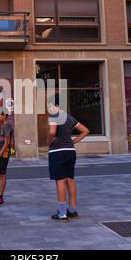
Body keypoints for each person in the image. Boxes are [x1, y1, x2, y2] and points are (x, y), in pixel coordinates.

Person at [47, 93, 89, 222]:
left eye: (50, 105)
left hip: (58, 151)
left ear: (57, 105)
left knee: (60, 181)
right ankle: (72, 210)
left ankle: (62, 213)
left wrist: (49, 141)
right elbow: (86, 131)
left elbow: (52, 132)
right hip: (70, 151)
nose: (49, 108)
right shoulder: (70, 118)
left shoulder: (54, 115)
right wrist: (73, 142)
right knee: (70, 179)